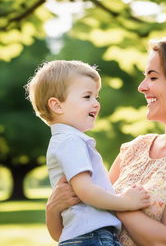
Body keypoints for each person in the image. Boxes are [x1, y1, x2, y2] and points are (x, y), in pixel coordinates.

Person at [45, 37, 166, 246]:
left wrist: (117, 203)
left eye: (153, 77)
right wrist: (53, 208)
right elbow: (81, 231)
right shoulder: (134, 149)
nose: (142, 87)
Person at [25, 60, 151, 246]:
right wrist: (127, 202)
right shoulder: (71, 141)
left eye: (96, 97)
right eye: (87, 97)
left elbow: (60, 231)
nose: (96, 104)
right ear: (57, 105)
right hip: (93, 237)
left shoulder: (64, 141)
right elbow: (86, 191)